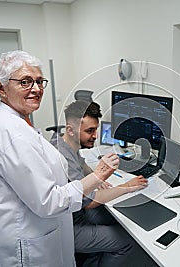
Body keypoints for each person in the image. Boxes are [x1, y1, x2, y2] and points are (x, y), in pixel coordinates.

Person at [0, 50, 119, 266]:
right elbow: (49, 201)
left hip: (25, 226)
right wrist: (98, 176)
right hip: (22, 245)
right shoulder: (13, 134)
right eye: (25, 82)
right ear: (0, 87)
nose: (36, 89)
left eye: (40, 82)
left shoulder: (14, 121)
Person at [50, 100, 148, 267]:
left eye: (95, 129)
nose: (95, 135)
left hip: (74, 215)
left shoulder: (63, 142)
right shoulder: (63, 159)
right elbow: (89, 202)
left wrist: (95, 178)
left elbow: (81, 163)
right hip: (69, 228)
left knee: (119, 218)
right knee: (129, 240)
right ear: (70, 130)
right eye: (90, 131)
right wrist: (127, 186)